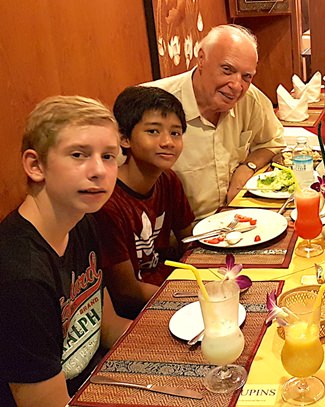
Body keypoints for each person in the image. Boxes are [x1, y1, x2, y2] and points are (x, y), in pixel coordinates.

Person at [0, 96, 131, 406]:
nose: (99, 170)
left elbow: (106, 325)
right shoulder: (20, 276)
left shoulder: (81, 221)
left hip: (98, 377)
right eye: (78, 154)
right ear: (35, 165)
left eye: (108, 156)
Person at [146, 24, 285, 220]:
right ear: (201, 59)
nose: (236, 86)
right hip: (178, 233)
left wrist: (248, 166)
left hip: (236, 218)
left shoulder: (250, 99)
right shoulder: (151, 105)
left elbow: (272, 141)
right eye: (227, 70)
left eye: (246, 77)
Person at [94, 86, 195, 319]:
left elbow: (188, 241)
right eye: (153, 131)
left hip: (171, 285)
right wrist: (191, 297)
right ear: (124, 138)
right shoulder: (107, 203)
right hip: (140, 310)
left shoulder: (168, 179)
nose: (167, 142)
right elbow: (126, 292)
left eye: (176, 133)